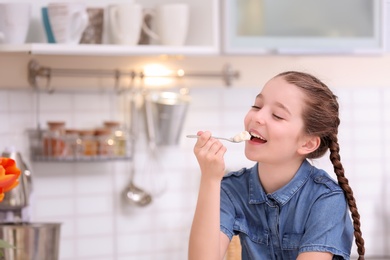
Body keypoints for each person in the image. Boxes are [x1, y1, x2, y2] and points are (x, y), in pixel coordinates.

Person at [188, 71, 365, 260]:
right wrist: (210, 178)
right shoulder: (232, 190)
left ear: (307, 143)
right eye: (257, 106)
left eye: (277, 116)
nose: (257, 117)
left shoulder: (325, 199)